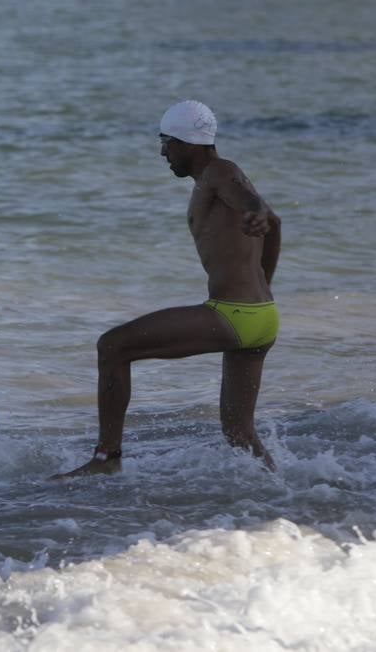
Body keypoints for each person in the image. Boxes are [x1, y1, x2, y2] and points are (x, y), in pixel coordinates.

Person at [56, 101, 281, 478]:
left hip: (232, 314)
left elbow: (254, 205)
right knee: (239, 433)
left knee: (112, 346)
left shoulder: (217, 172)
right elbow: (273, 221)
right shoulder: (220, 175)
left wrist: (252, 209)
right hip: (262, 319)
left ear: (188, 143)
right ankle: (283, 493)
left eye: (166, 142)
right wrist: (265, 286)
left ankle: (106, 460)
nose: (163, 152)